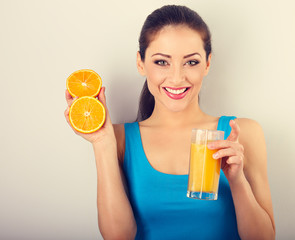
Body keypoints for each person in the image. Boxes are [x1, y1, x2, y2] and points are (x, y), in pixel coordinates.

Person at [64, 5, 275, 240]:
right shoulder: (120, 139)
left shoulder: (243, 133)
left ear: (207, 63)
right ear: (140, 63)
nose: (177, 77)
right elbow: (118, 236)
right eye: (162, 62)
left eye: (191, 62)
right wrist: (102, 143)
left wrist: (236, 180)